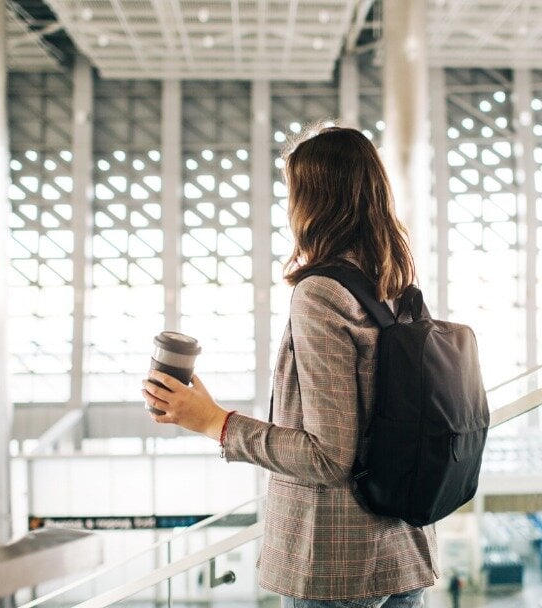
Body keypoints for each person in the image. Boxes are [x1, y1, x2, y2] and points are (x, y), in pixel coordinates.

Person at [142, 126, 437, 606]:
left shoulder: (321, 293)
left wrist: (213, 422)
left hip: (339, 567)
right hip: (403, 547)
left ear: (313, 202)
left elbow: (327, 456)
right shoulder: (395, 285)